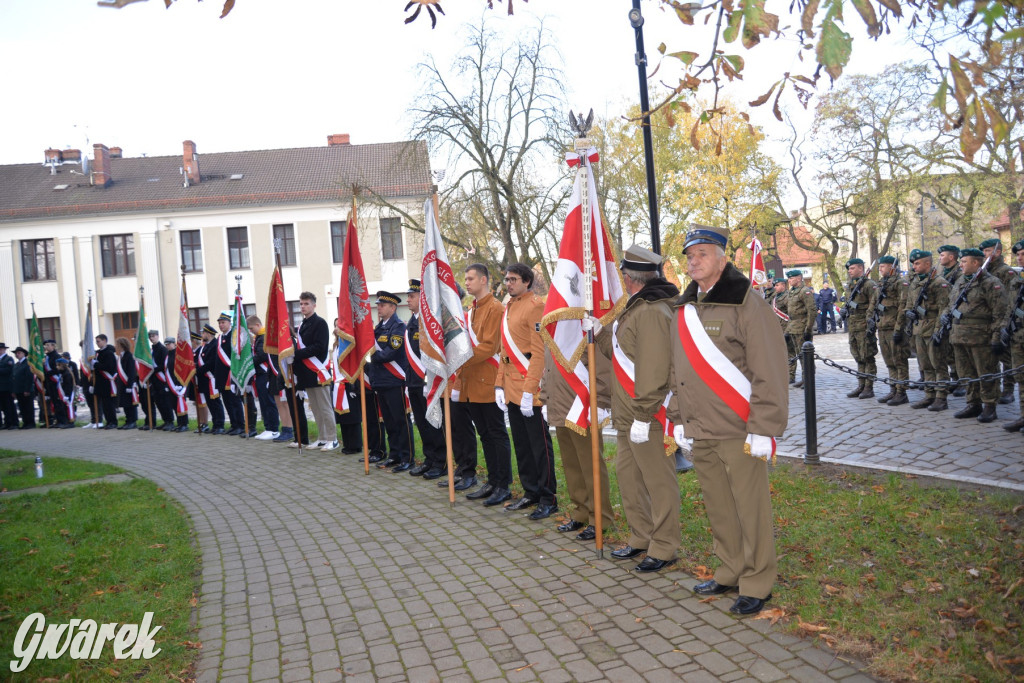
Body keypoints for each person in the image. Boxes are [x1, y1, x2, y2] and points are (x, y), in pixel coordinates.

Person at [668, 224, 788, 615]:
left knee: (750, 508)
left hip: (739, 428)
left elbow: (769, 368)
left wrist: (764, 428)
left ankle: (757, 580)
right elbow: (678, 368)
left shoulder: (746, 303)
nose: (694, 261)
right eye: (689, 255)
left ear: (723, 258)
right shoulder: (685, 307)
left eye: (702, 253)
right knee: (719, 505)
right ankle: (729, 569)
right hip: (700, 427)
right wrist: (678, 417)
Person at [594, 244, 679, 569]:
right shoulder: (637, 307)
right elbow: (623, 355)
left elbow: (655, 369)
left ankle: (664, 546)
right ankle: (641, 536)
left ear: (630, 279)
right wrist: (601, 333)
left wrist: (644, 415)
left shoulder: (654, 311)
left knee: (658, 481)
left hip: (648, 413)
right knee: (629, 476)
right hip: (628, 412)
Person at [497, 263, 557, 520]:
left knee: (538, 445)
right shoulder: (508, 306)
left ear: (527, 282)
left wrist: (530, 389)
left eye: (513, 279)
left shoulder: (535, 306)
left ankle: (547, 497)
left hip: (528, 386)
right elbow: (504, 352)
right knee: (521, 444)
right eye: (507, 279)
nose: (508, 283)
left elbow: (539, 352)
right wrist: (499, 384)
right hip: (511, 386)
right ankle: (530, 491)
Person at [540, 342, 613, 542]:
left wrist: (601, 402)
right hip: (561, 404)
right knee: (572, 465)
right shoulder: (555, 332)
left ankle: (601, 517)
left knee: (590, 466)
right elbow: (548, 368)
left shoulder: (583, 331)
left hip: (582, 407)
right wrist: (545, 397)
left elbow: (603, 369)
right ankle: (581, 511)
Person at [455, 264, 512, 500]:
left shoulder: (495, 309)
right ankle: (492, 481)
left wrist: (459, 359)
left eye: (470, 279)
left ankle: (503, 485)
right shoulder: (472, 310)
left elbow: (489, 346)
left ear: (484, 280)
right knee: (485, 435)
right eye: (466, 279)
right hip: (471, 381)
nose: (466, 283)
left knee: (496, 433)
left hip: (488, 380)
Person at [942, 247, 1009, 422]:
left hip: (981, 337)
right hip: (959, 336)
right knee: (966, 372)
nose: (961, 264)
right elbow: (951, 303)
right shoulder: (961, 281)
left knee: (986, 372)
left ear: (976, 263)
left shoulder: (990, 283)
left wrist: (996, 337)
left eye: (964, 261)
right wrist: (945, 315)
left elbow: (1000, 313)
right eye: (961, 261)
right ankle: (973, 403)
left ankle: (989, 405)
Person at [403, 280, 448, 477]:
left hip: (428, 382)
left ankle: (440, 462)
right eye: (409, 296)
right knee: (421, 423)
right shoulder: (412, 322)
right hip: (414, 382)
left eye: (412, 296)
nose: (408, 300)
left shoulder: (430, 322)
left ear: (423, 297)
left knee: (434, 423)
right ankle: (429, 459)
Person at [900, 250, 952, 411]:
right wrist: (908, 312)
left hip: (933, 329)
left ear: (928, 264)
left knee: (938, 365)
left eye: (917, 263)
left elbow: (945, 309)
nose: (914, 266)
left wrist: (938, 331)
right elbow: (909, 303)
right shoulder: (915, 282)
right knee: (925, 365)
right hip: (918, 329)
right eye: (913, 264)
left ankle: (941, 397)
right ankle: (929, 395)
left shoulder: (939, 283)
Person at [292, 291, 338, 451]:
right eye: (301, 304)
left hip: (319, 372)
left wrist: (296, 354)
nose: (303, 307)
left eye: (306, 304)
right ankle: (322, 437)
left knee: (325, 407)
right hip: (307, 373)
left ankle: (333, 439)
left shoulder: (320, 323)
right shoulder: (303, 325)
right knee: (316, 408)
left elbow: (319, 347)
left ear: (314, 305)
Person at [980, 238, 1018, 405]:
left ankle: (1008, 389)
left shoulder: (1006, 272)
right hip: (986, 322)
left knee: (1006, 357)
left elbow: (1011, 300)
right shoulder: (983, 271)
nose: (984, 254)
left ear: (997, 252)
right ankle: (992, 388)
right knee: (990, 357)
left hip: (1003, 320)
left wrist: (1005, 324)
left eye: (988, 251)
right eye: (983, 251)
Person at [874, 256, 911, 406]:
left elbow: (903, 307)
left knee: (899, 360)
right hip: (882, 327)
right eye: (880, 266)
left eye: (883, 266)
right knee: (889, 361)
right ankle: (893, 389)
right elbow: (876, 303)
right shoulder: (882, 283)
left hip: (894, 327)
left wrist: (898, 328)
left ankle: (902, 392)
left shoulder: (900, 283)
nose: (880, 269)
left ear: (892, 267)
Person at [842, 258, 879, 399]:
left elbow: (874, 304)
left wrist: (870, 323)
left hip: (864, 325)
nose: (849, 271)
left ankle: (869, 387)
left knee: (867, 355)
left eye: (852, 268)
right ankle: (861, 385)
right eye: (849, 269)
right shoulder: (851, 286)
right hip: (853, 325)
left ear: (860, 269)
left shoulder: (869, 285)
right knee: (857, 356)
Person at [999, 239, 1024, 433]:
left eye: (1023, 254)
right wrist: (1005, 328)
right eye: (1018, 255)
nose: (1020, 258)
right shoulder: (1018, 279)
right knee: (1020, 376)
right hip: (1017, 335)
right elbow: (1010, 306)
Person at [938, 245, 966, 396]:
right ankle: (955, 378)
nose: (940, 258)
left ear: (951, 257)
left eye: (942, 255)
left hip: (958, 317)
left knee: (958, 352)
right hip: (947, 314)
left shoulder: (960, 273)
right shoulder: (944, 273)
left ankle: (962, 381)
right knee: (949, 351)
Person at [248, 315, 281, 441]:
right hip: (260, 374)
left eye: (251, 328)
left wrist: (249, 362)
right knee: (263, 402)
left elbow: (262, 355)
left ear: (257, 325)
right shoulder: (259, 337)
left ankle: (273, 429)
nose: (251, 331)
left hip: (265, 373)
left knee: (269, 402)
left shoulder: (264, 336)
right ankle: (268, 427)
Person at [216, 311, 246, 436]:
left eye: (223, 322)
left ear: (229, 323)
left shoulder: (233, 337)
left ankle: (241, 424)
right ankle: (234, 424)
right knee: (227, 402)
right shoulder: (220, 338)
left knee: (235, 401)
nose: (221, 325)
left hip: (231, 374)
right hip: (222, 375)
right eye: (219, 323)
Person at [784, 270, 815, 387]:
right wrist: (787, 330)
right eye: (789, 278)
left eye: (791, 278)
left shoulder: (804, 291)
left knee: (805, 355)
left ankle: (808, 379)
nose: (789, 280)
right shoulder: (792, 292)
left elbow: (811, 311)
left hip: (802, 327)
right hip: (793, 326)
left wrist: (808, 329)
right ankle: (804, 378)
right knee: (799, 354)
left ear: (798, 278)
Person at [198, 324, 227, 434]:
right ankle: (215, 424)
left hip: (212, 378)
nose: (202, 335)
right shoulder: (206, 345)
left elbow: (211, 362)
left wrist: (199, 370)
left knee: (215, 402)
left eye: (203, 333)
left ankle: (220, 424)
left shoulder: (215, 344)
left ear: (208, 334)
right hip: (205, 379)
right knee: (210, 403)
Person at [163, 336, 191, 432]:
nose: (167, 346)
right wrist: (167, 385)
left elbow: (181, 370)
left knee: (181, 403)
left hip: (179, 384)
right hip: (171, 384)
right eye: (166, 344)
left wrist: (179, 383)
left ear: (174, 344)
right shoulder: (168, 355)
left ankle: (184, 424)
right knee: (174, 404)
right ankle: (179, 423)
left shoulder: (178, 355)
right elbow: (167, 371)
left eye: (169, 344)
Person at [93, 334, 119, 430]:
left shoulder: (109, 353)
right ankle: (108, 421)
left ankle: (113, 422)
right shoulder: (98, 353)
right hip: (100, 382)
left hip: (107, 382)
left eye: (99, 341)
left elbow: (109, 367)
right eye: (96, 341)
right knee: (104, 404)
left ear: (104, 341)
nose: (97, 343)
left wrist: (96, 364)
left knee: (109, 404)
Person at [114, 336, 139, 429]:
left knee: (130, 404)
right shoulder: (121, 356)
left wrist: (130, 385)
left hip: (128, 385)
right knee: (125, 404)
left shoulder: (129, 356)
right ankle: (128, 420)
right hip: (122, 385)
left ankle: (133, 421)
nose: (116, 346)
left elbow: (131, 372)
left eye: (117, 345)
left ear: (122, 345)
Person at [12, 347, 34, 429]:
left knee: (28, 407)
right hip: (18, 390)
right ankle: (25, 423)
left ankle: (31, 423)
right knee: (22, 407)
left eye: (19, 353)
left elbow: (29, 377)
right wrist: (14, 390)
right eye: (16, 353)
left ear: (24, 354)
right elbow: (14, 378)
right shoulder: (17, 364)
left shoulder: (28, 363)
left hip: (26, 389)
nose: (17, 354)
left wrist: (27, 389)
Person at [52, 357, 77, 428]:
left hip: (68, 393)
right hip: (64, 393)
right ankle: (67, 421)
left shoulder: (67, 374)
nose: (56, 367)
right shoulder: (62, 373)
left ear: (62, 365)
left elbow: (68, 386)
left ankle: (71, 422)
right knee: (65, 407)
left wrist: (67, 395)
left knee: (69, 407)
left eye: (58, 365)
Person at [0, 342, 16, 429]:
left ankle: (11, 423)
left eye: (1, 349)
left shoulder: (8, 359)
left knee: (8, 406)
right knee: (2, 406)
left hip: (6, 387)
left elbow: (8, 370)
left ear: (4, 350)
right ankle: (4, 423)